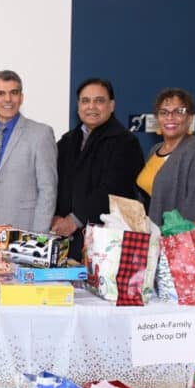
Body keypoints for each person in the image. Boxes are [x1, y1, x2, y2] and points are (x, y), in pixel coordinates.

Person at [52, 78, 144, 260]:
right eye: (85, 101)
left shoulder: (125, 142)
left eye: (99, 101)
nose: (91, 107)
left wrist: (75, 220)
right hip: (64, 239)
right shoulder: (67, 141)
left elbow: (115, 189)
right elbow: (53, 181)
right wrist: (53, 216)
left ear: (112, 105)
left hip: (105, 243)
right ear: (78, 106)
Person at [0, 70, 57, 232]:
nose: (8, 99)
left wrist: (38, 237)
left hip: (23, 230)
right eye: (1, 93)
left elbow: (48, 190)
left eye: (14, 93)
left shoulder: (41, 134)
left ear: (21, 97)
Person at [138, 88, 195, 225]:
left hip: (180, 241)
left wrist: (176, 241)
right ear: (157, 118)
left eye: (179, 112)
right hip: (153, 236)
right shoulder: (155, 150)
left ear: (190, 117)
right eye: (163, 112)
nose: (170, 117)